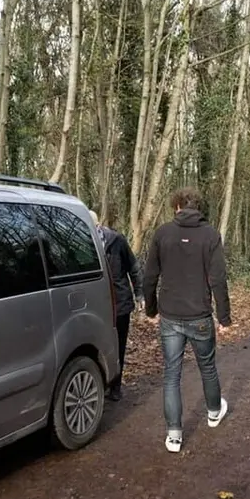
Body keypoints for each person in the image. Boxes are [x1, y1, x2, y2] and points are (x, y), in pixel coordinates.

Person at [142, 187, 231, 453]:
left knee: (171, 374)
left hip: (170, 315)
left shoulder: (163, 233)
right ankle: (214, 412)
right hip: (200, 315)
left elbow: (149, 276)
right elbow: (218, 280)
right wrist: (224, 318)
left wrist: (151, 310)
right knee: (207, 368)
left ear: (177, 206)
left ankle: (173, 435)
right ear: (198, 207)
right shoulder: (211, 235)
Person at [90, 210, 142, 402]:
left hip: (120, 302)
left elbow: (134, 268)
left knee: (118, 344)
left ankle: (116, 386)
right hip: (97, 304)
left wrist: (139, 294)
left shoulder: (117, 241)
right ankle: (101, 383)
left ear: (98, 226)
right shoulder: (83, 242)